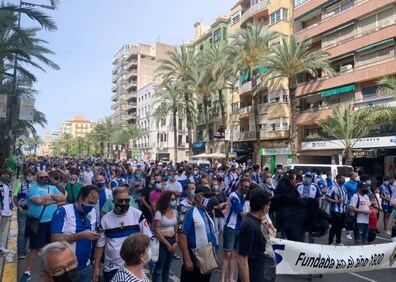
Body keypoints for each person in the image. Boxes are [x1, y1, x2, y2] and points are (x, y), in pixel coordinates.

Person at [92, 185, 152, 282]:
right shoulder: (106, 219)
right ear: (113, 201)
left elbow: (147, 238)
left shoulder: (138, 215)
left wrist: (143, 259)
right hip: (112, 267)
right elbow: (100, 245)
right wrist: (96, 267)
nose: (124, 203)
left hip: (133, 265)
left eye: (126, 200)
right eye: (120, 201)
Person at [20, 170, 66, 282]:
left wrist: (50, 196)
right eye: (41, 177)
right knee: (34, 248)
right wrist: (54, 200)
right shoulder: (33, 189)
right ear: (37, 178)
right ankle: (27, 272)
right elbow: (40, 201)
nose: (44, 179)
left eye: (46, 177)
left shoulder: (52, 188)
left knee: (52, 247)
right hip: (38, 223)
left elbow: (63, 198)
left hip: (52, 222)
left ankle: (53, 269)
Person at [51, 185, 100, 282]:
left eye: (94, 203)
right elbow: (55, 239)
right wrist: (81, 235)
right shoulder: (62, 211)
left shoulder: (93, 211)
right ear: (81, 198)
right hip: (66, 269)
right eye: (90, 202)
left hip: (86, 267)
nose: (91, 206)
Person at [179, 186, 217, 282]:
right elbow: (181, 236)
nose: (209, 199)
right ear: (198, 196)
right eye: (206, 196)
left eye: (210, 196)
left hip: (207, 259)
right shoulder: (188, 211)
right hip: (194, 259)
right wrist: (187, 260)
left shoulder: (206, 211)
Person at [237, 188, 274, 282]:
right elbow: (242, 260)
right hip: (254, 276)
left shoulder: (257, 222)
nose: (269, 207)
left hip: (262, 274)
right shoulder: (250, 226)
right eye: (269, 205)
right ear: (264, 207)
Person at [221, 177, 250, 282]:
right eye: (245, 186)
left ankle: (230, 278)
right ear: (240, 185)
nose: (247, 188)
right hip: (230, 227)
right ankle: (222, 279)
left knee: (234, 254)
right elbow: (242, 213)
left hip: (239, 228)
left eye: (248, 187)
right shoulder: (233, 196)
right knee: (227, 254)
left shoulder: (243, 196)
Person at [152, 191, 179, 282]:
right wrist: (167, 244)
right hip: (162, 242)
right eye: (171, 199)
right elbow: (157, 232)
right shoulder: (159, 213)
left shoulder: (175, 212)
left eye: (174, 199)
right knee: (159, 268)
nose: (174, 201)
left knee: (167, 267)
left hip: (172, 241)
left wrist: (175, 241)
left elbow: (176, 228)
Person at [13, 169, 35, 260]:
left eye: (31, 175)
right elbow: (15, 197)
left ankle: (23, 249)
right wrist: (19, 208)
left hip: (32, 211)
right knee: (22, 232)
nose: (30, 176)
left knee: (27, 231)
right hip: (23, 210)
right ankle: (20, 252)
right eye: (28, 175)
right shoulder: (19, 185)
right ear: (25, 175)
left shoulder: (34, 186)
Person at [325, 175, 348, 246]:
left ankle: (338, 241)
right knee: (335, 226)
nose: (343, 180)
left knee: (340, 227)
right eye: (342, 179)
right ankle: (330, 241)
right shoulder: (332, 187)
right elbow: (327, 197)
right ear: (338, 179)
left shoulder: (343, 187)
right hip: (335, 210)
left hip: (343, 210)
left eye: (344, 179)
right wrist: (336, 201)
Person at [344, 172, 359, 240]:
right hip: (350, 203)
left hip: (357, 203)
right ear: (351, 176)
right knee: (350, 218)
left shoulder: (357, 184)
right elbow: (344, 193)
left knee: (356, 218)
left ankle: (354, 231)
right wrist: (346, 202)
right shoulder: (346, 184)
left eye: (357, 176)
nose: (357, 177)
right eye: (355, 176)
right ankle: (348, 232)